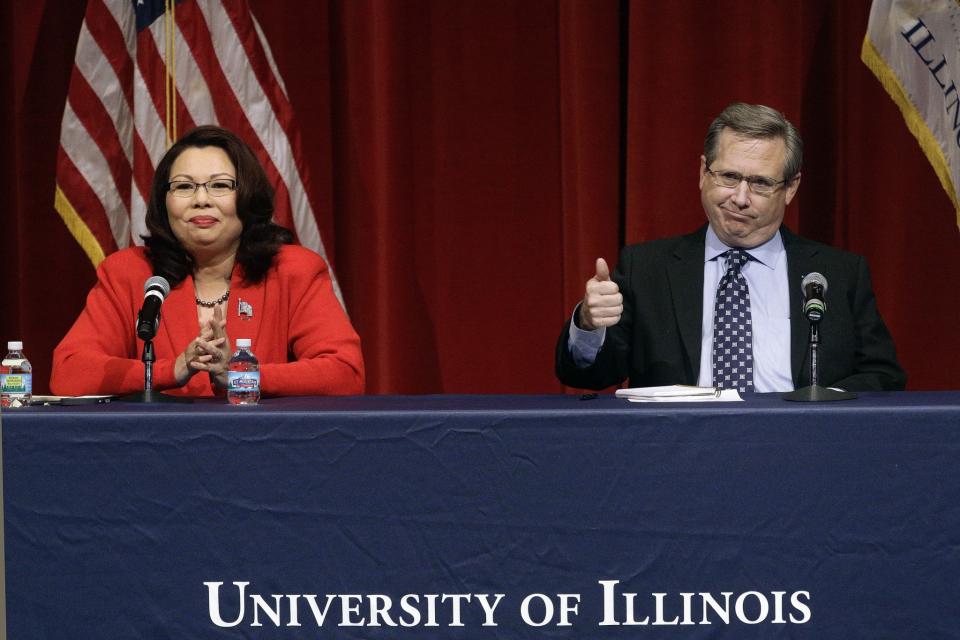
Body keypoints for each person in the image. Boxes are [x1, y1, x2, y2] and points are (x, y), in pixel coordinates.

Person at [556, 102, 905, 393]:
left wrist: (820, 407)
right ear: (703, 173)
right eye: (729, 177)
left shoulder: (837, 274)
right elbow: (588, 376)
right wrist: (588, 323)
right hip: (679, 452)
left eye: (760, 183)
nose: (740, 198)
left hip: (801, 448)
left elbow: (884, 377)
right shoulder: (646, 268)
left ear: (790, 188)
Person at [52, 125, 364, 397]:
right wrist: (171, 371)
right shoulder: (130, 273)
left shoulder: (292, 270)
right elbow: (69, 372)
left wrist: (242, 376)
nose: (201, 199)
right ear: (164, 201)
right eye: (184, 186)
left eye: (220, 185)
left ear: (247, 197)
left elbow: (344, 373)